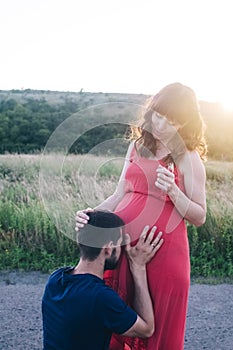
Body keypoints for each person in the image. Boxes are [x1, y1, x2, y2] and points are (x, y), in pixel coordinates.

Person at [75, 82, 207, 349]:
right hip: (123, 248)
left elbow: (199, 216)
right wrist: (91, 215)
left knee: (157, 330)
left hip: (164, 254)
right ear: (151, 109)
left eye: (172, 121)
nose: (161, 124)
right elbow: (119, 194)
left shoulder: (188, 158)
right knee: (121, 322)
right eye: (158, 115)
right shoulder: (137, 146)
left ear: (185, 124)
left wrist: (173, 191)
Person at [42, 210, 164, 350]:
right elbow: (147, 329)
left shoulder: (55, 279)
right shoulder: (100, 297)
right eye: (120, 244)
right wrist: (138, 267)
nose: (123, 250)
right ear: (108, 248)